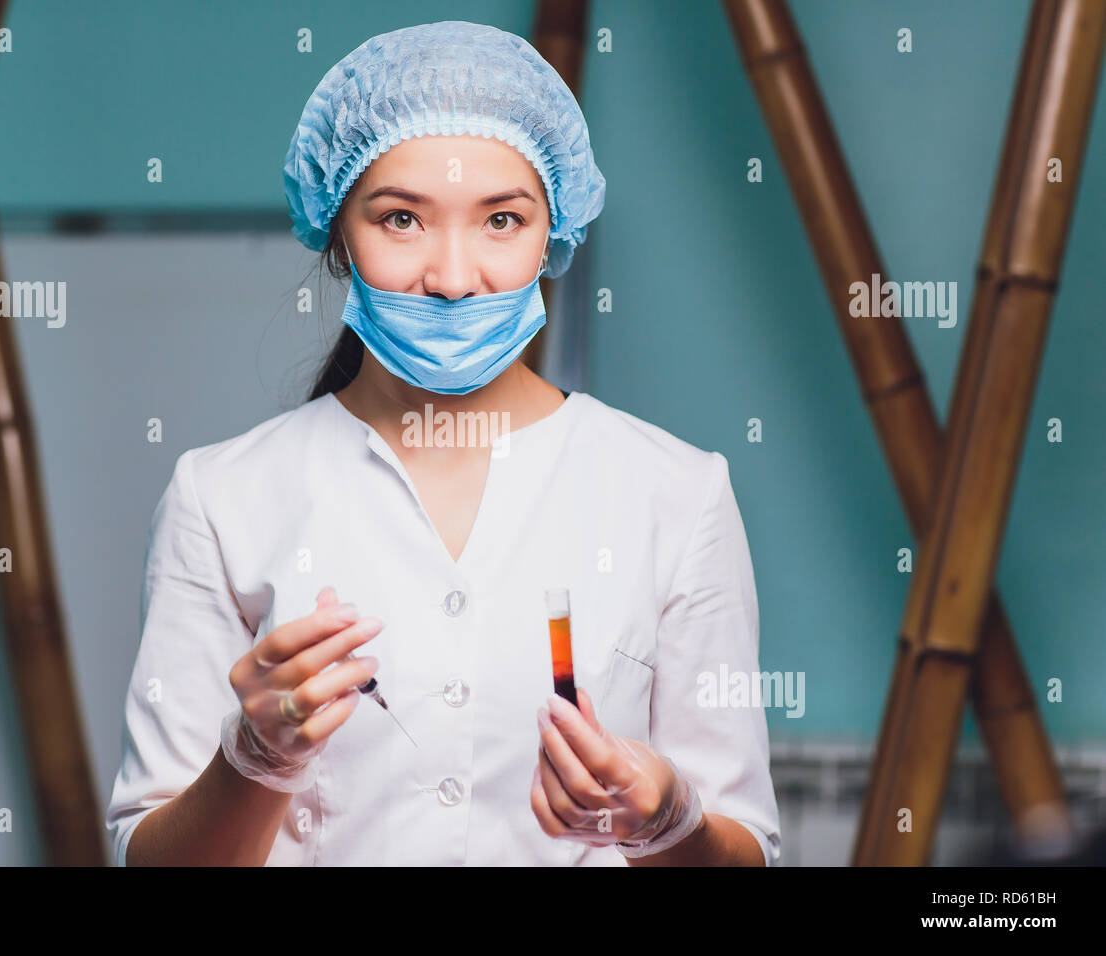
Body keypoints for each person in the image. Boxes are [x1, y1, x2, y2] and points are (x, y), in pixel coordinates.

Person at [106, 20, 780, 867]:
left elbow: (745, 849)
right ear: (338, 235)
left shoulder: (677, 494)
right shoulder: (220, 498)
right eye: (401, 220)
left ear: (555, 230)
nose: (455, 278)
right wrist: (257, 757)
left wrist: (662, 819)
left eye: (502, 219)